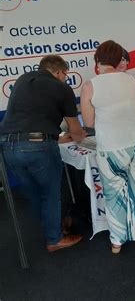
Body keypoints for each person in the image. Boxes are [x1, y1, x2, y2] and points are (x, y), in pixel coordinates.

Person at [0, 55, 85, 252]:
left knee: (34, 192)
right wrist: (78, 134)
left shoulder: (23, 80)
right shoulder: (62, 88)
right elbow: (76, 130)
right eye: (66, 74)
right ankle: (54, 239)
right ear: (58, 72)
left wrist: (54, 137)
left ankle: (52, 226)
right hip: (38, 148)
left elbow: (30, 117)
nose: (66, 78)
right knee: (51, 192)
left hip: (8, 145)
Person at [80, 40, 135, 254]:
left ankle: (117, 241)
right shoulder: (132, 80)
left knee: (114, 194)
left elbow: (89, 122)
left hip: (111, 146)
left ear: (98, 61)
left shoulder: (90, 85)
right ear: (119, 60)